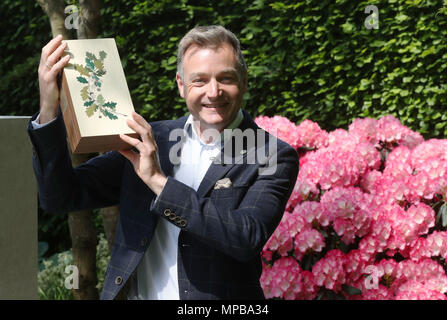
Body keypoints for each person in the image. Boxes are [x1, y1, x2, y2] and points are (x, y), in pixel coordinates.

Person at [28, 25, 299, 300]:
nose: (214, 91)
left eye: (226, 78)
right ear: (181, 85)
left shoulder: (271, 154)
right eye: (200, 80)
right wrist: (49, 108)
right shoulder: (152, 139)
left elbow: (245, 237)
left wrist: (157, 180)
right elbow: (59, 196)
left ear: (244, 81)